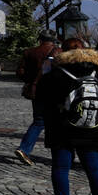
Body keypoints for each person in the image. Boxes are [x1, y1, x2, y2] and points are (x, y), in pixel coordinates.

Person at [37, 37, 98, 195]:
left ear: (62, 51)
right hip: (90, 126)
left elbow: (41, 98)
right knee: (94, 169)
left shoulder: (55, 74)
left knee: (61, 168)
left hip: (61, 127)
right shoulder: (97, 71)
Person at [15, 31, 60, 165]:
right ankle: (60, 154)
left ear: (40, 39)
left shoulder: (29, 52)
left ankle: (24, 149)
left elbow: (20, 72)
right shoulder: (59, 52)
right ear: (54, 40)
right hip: (54, 91)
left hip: (37, 91)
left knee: (39, 121)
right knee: (57, 122)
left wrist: (31, 81)